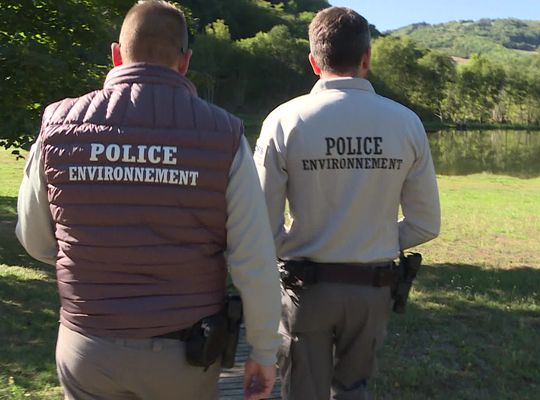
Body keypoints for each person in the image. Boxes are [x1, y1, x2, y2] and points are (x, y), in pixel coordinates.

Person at [15, 1, 280, 399]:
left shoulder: (58, 126)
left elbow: (35, 240)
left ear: (116, 55)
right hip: (184, 354)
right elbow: (254, 259)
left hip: (88, 344)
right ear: (185, 61)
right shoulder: (224, 135)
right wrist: (263, 349)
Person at [254, 6, 441, 400]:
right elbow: (426, 224)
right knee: (354, 391)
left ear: (313, 60)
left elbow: (260, 224)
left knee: (302, 391)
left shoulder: (284, 121)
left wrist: (297, 243)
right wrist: (372, 238)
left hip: (306, 288)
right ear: (367, 58)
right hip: (372, 290)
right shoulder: (406, 122)